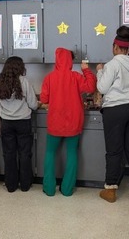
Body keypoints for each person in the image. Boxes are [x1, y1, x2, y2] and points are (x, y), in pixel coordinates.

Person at [95, 25, 129, 202]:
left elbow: (101, 88)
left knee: (114, 151)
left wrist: (100, 71)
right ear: (128, 48)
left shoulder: (112, 64)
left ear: (115, 47)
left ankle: (110, 190)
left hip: (115, 110)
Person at [39, 48, 96, 197]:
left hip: (55, 122)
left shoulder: (49, 78)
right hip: (73, 122)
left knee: (50, 153)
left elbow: (44, 99)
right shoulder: (76, 76)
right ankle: (67, 189)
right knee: (72, 153)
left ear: (57, 60)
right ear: (70, 61)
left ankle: (49, 188)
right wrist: (86, 71)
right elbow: (90, 87)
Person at [0, 55, 38, 192]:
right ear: (20, 67)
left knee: (9, 154)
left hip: (6, 122)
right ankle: (25, 185)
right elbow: (33, 104)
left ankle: (10, 185)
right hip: (23, 122)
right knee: (25, 153)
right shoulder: (24, 81)